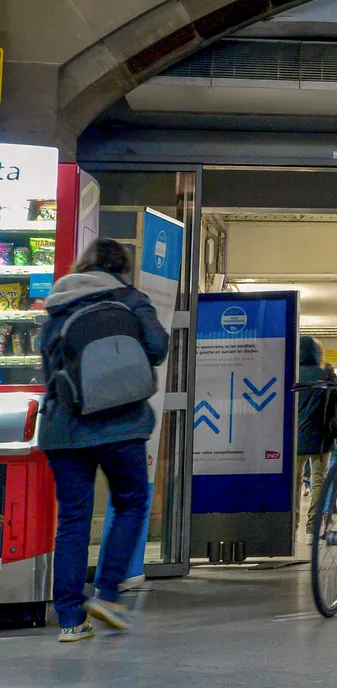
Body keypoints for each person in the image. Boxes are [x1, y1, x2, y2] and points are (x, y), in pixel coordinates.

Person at [38, 239, 170, 642]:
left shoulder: (58, 301)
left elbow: (48, 365)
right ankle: (108, 593)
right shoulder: (131, 299)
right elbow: (158, 348)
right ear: (121, 268)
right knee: (130, 502)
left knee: (74, 519)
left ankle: (70, 620)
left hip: (65, 425)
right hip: (121, 423)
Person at [295, 336, 337, 546]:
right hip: (322, 437)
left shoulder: (291, 373)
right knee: (319, 480)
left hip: (295, 437)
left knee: (295, 482)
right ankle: (312, 529)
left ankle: (292, 525)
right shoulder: (326, 375)